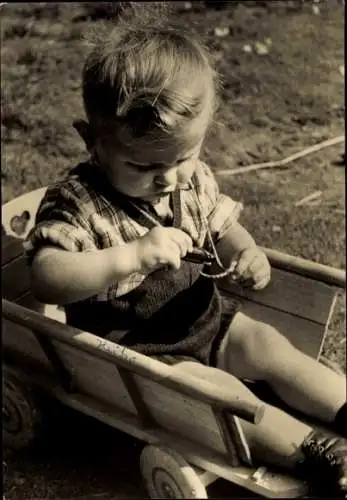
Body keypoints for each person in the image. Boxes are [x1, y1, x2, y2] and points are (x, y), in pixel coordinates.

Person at [24, 17, 347, 496]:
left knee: (269, 345)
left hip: (206, 321)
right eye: (143, 165)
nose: (168, 178)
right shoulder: (77, 203)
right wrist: (128, 256)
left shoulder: (189, 182)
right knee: (222, 398)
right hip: (142, 355)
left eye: (183, 156)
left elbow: (222, 223)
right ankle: (316, 450)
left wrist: (247, 250)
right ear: (91, 139)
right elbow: (47, 275)